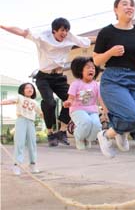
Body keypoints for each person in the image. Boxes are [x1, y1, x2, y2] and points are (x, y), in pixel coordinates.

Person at [0, 18, 96, 147]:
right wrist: (2, 26)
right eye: (62, 30)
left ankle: (61, 132)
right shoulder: (42, 36)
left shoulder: (70, 38)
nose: (64, 34)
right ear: (54, 31)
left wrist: (109, 35)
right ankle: (50, 132)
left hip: (59, 77)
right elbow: (21, 32)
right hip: (44, 77)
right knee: (50, 103)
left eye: (66, 30)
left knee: (73, 100)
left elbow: (89, 40)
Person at [93, 0, 135, 158]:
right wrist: (110, 52)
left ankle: (121, 131)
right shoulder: (107, 32)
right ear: (115, 10)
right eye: (125, 4)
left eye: (132, 5)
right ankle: (106, 135)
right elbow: (96, 60)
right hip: (113, 78)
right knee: (132, 117)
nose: (129, 7)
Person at [0, 83, 43, 175]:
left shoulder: (35, 102)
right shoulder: (19, 97)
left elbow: (41, 113)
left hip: (31, 122)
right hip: (21, 121)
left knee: (32, 144)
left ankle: (33, 164)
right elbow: (10, 101)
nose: (30, 89)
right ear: (22, 90)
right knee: (19, 143)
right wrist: (1, 102)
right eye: (27, 88)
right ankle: (17, 165)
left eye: (31, 88)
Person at [63, 56, 104, 150]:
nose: (91, 69)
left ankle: (87, 139)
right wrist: (68, 102)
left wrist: (105, 111)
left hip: (92, 110)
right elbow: (71, 98)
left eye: (93, 68)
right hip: (77, 109)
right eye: (88, 67)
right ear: (80, 70)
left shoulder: (96, 85)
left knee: (97, 125)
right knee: (86, 122)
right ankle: (79, 137)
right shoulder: (76, 83)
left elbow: (100, 99)